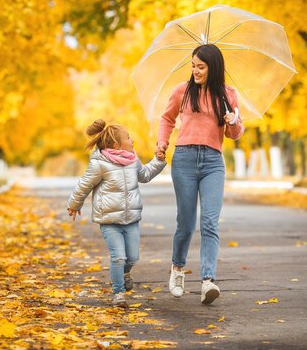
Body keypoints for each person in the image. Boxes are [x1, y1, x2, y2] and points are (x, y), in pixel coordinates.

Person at [155, 43, 245, 304]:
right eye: (193, 65)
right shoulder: (182, 91)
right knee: (185, 223)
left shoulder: (228, 95)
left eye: (201, 67)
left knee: (210, 222)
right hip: (183, 160)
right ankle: (177, 269)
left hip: (213, 162)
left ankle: (208, 281)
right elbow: (167, 118)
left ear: (213, 67)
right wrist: (162, 142)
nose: (195, 71)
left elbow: (235, 135)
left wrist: (233, 121)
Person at [67, 119, 166, 308]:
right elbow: (84, 184)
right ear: (115, 144)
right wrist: (74, 203)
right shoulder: (100, 163)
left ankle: (124, 273)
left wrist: (158, 161)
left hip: (131, 220)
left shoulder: (132, 160)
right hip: (109, 220)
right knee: (118, 257)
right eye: (128, 138)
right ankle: (118, 293)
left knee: (132, 258)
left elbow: (144, 175)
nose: (132, 140)